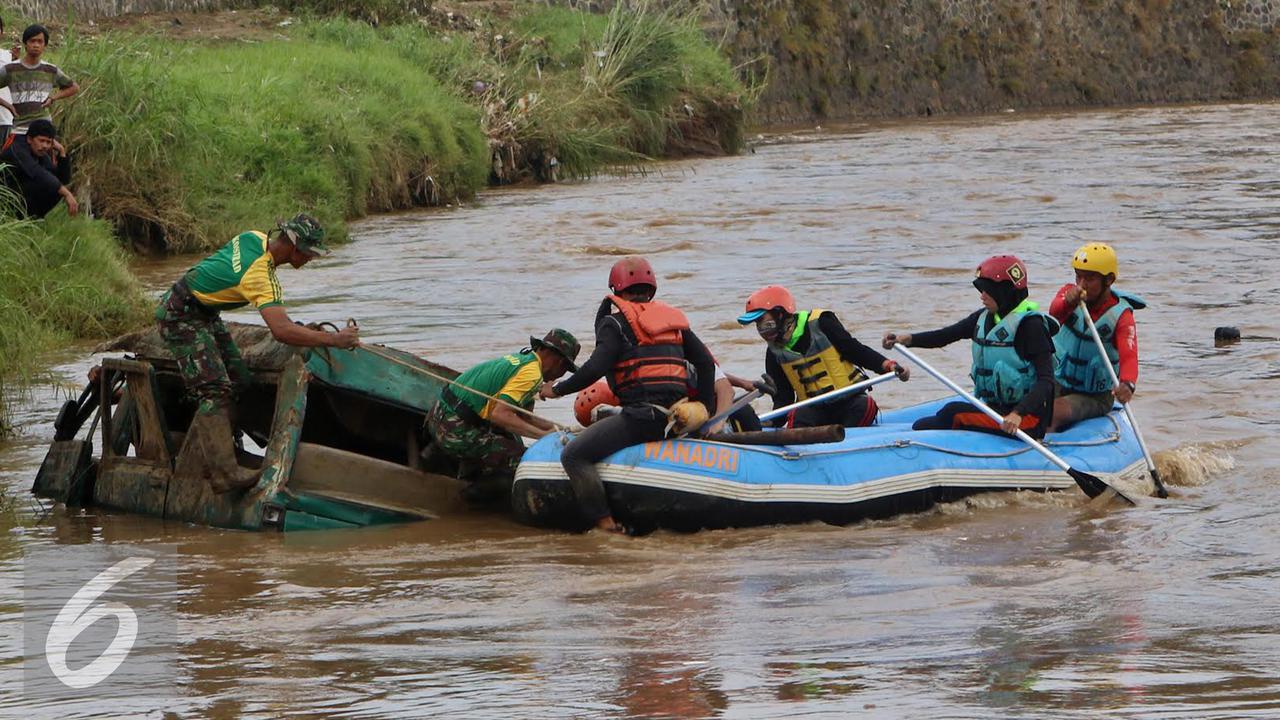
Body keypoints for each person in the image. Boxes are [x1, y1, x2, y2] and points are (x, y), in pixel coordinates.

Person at [156, 213, 359, 493]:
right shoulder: (261, 276)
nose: (311, 259)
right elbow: (281, 330)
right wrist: (333, 339)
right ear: (294, 247)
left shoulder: (252, 237)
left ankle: (210, 456)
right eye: (310, 253)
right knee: (214, 392)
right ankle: (223, 473)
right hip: (181, 316)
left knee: (240, 379)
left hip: (203, 311)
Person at [538, 257, 716, 533]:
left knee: (573, 455)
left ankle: (605, 523)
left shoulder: (615, 324)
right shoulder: (673, 321)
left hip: (641, 419)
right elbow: (705, 363)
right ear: (651, 289)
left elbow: (596, 367)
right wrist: (704, 409)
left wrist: (557, 389)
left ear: (616, 289)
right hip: (680, 417)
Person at [883, 255, 1059, 439]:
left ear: (1004, 292)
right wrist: (907, 339)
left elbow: (1046, 381)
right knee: (932, 419)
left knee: (951, 414)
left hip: (1025, 420)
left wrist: (1018, 413)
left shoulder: (1031, 327)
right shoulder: (983, 318)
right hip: (995, 409)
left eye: (987, 291)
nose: (982, 296)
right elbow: (945, 336)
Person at [426, 329, 580, 504]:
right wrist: (544, 437)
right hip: (454, 430)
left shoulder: (522, 360)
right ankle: (466, 498)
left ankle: (462, 467)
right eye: (565, 369)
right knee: (522, 462)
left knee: (508, 440)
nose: (561, 375)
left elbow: (525, 418)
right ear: (559, 362)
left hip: (436, 416)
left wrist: (558, 431)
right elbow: (501, 415)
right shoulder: (531, 374)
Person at [738, 285, 907, 429]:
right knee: (799, 417)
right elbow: (784, 398)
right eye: (757, 324)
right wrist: (771, 422)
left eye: (762, 320)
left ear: (780, 313)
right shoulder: (774, 353)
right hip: (814, 410)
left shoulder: (822, 323)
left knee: (865, 406)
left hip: (849, 401)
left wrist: (888, 365)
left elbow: (855, 350)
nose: (760, 328)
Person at [1046, 242, 1145, 432]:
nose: (1081, 284)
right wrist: (1068, 301)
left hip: (1094, 396)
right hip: (1058, 382)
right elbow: (1055, 313)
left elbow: (1129, 356)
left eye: (1089, 279)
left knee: (1052, 413)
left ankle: (1041, 453)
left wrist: (1127, 384)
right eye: (1078, 276)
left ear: (1109, 280)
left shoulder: (1121, 316)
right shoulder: (1068, 294)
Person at [573, 363, 763, 435]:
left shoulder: (685, 359)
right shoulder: (635, 380)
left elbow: (717, 380)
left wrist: (719, 422)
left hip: (717, 412)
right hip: (683, 417)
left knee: (743, 414)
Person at [0, 25, 78, 140]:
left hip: (43, 131)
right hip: (19, 130)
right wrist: (8, 106)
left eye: (40, 42)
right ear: (25, 44)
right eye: (32, 41)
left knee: (46, 158)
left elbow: (74, 87)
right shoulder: (11, 69)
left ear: (45, 45)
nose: (36, 45)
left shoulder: (50, 70)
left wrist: (53, 98)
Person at [0, 118, 74, 217]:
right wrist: (66, 193)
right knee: (49, 184)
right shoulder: (17, 149)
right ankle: (18, 218)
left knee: (54, 186)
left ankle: (32, 219)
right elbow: (37, 173)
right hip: (5, 195)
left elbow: (62, 180)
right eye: (41, 141)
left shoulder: (40, 153)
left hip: (19, 194)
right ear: (30, 139)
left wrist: (62, 152)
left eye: (48, 142)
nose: (45, 146)